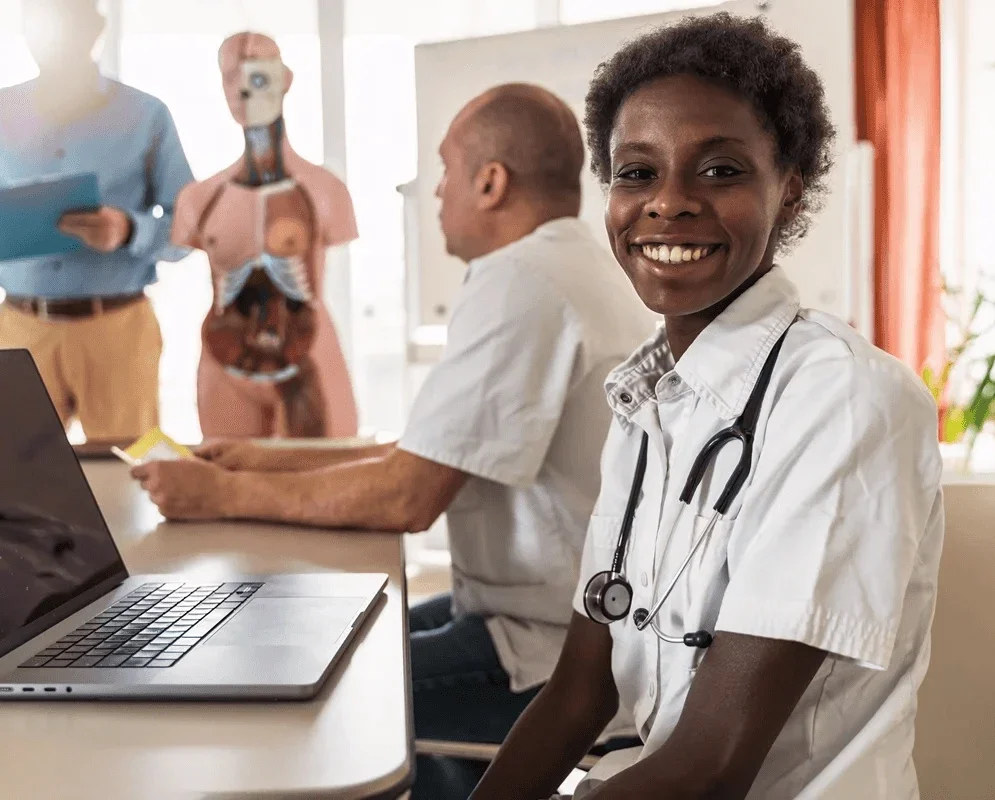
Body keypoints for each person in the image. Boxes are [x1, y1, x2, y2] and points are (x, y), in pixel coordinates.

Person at [131, 83, 652, 798]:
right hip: (540, 612)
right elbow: (433, 450)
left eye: (444, 171)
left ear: (491, 182)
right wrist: (266, 456)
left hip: (549, 650)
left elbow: (410, 495)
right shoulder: (565, 266)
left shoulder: (524, 281)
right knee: (350, 637)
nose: (434, 192)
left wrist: (220, 494)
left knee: (316, 691)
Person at [471, 14, 944, 800]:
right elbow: (578, 698)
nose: (669, 204)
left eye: (720, 170)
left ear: (789, 187)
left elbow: (713, 768)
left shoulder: (846, 401)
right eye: (636, 173)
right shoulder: (648, 402)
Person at [0, 0, 193, 440]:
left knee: (129, 477)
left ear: (95, 30)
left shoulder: (148, 115)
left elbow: (190, 228)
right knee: (15, 487)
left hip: (118, 331)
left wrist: (130, 230)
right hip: (18, 329)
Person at [171, 32, 360, 439]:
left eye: (257, 73)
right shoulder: (200, 199)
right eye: (230, 77)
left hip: (307, 349)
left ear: (284, 78)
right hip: (224, 356)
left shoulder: (324, 191)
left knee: (321, 483)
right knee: (227, 486)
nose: (243, 88)